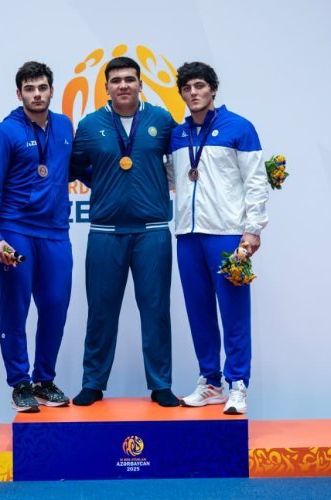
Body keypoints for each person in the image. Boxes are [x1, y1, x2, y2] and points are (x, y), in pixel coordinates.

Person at [69, 56, 179, 407]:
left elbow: (181, 160)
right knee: (100, 312)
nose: (123, 86)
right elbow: (75, 166)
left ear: (141, 84)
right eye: (116, 81)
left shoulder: (162, 120)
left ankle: (161, 384)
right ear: (106, 88)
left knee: (156, 311)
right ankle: (93, 382)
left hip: (152, 231)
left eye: (130, 79)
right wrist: (104, 182)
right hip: (105, 231)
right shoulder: (90, 125)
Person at [170, 62, 269, 414]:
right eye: (187, 88)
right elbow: (173, 176)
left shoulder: (239, 128)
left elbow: (256, 181)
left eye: (200, 86)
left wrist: (252, 229)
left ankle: (238, 384)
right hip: (188, 236)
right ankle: (210, 382)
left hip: (227, 235)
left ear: (213, 89)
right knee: (198, 313)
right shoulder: (177, 135)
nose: (193, 92)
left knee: (234, 312)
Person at [0, 61, 74, 413]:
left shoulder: (64, 126)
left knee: (55, 307)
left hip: (56, 233)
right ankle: (20, 383)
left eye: (42, 88)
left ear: (52, 90)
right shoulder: (3, 133)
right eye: (30, 89)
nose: (37, 94)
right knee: (15, 309)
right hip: (16, 231)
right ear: (19, 93)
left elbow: (77, 167)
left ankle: (44, 380)